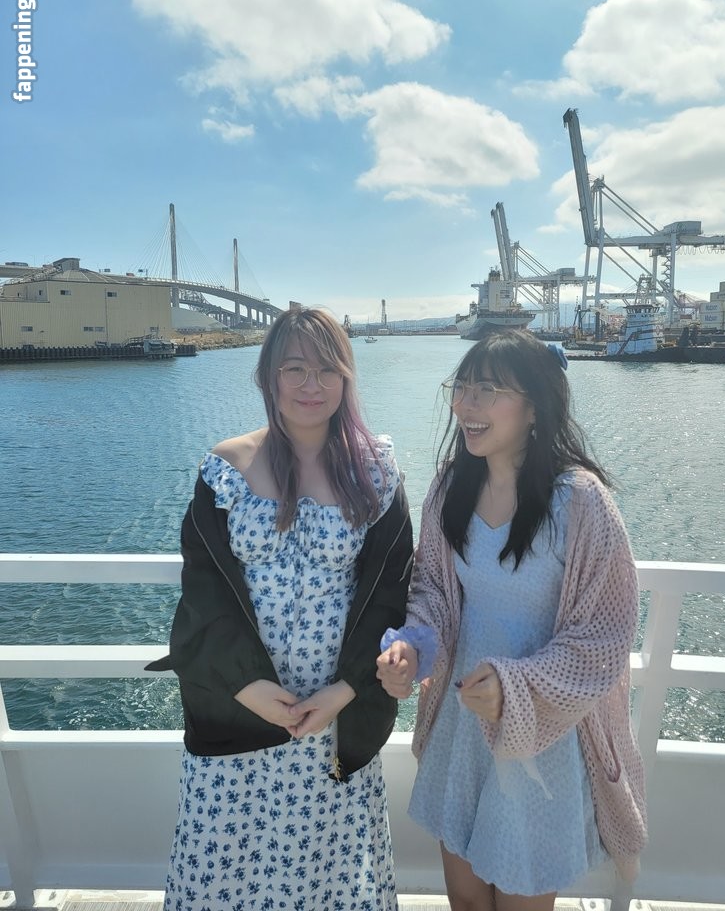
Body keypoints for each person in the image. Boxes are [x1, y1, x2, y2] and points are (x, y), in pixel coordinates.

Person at [149, 306, 414, 911]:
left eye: (327, 369)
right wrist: (248, 686)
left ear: (347, 377)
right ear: (268, 376)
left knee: (326, 874)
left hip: (331, 717)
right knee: (225, 868)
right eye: (294, 368)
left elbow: (390, 591)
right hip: (239, 709)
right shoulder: (226, 468)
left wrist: (344, 689)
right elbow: (203, 593)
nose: (311, 384)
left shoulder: (375, 473)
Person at [377, 331, 646, 911]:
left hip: (542, 737)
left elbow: (604, 636)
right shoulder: (451, 486)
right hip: (462, 720)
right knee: (467, 899)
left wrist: (518, 688)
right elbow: (434, 591)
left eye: (489, 390)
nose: (467, 404)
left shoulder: (581, 502)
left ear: (534, 408)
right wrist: (413, 647)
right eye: (462, 387)